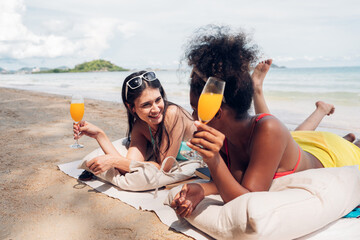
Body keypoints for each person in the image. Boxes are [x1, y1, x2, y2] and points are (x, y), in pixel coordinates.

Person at [170, 25, 360, 217]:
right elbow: (233, 182)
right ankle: (334, 123)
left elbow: (247, 200)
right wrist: (202, 189)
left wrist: (213, 160)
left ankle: (347, 139)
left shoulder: (269, 130)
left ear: (217, 112)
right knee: (297, 137)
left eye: (195, 109)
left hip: (332, 155)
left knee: (352, 147)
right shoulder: (225, 136)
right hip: (301, 145)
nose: (193, 117)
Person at [74, 71, 195, 180]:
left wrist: (114, 160)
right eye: (146, 105)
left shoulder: (172, 113)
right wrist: (99, 135)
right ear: (131, 107)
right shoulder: (140, 125)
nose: (156, 109)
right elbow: (129, 166)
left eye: (158, 99)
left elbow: (163, 168)